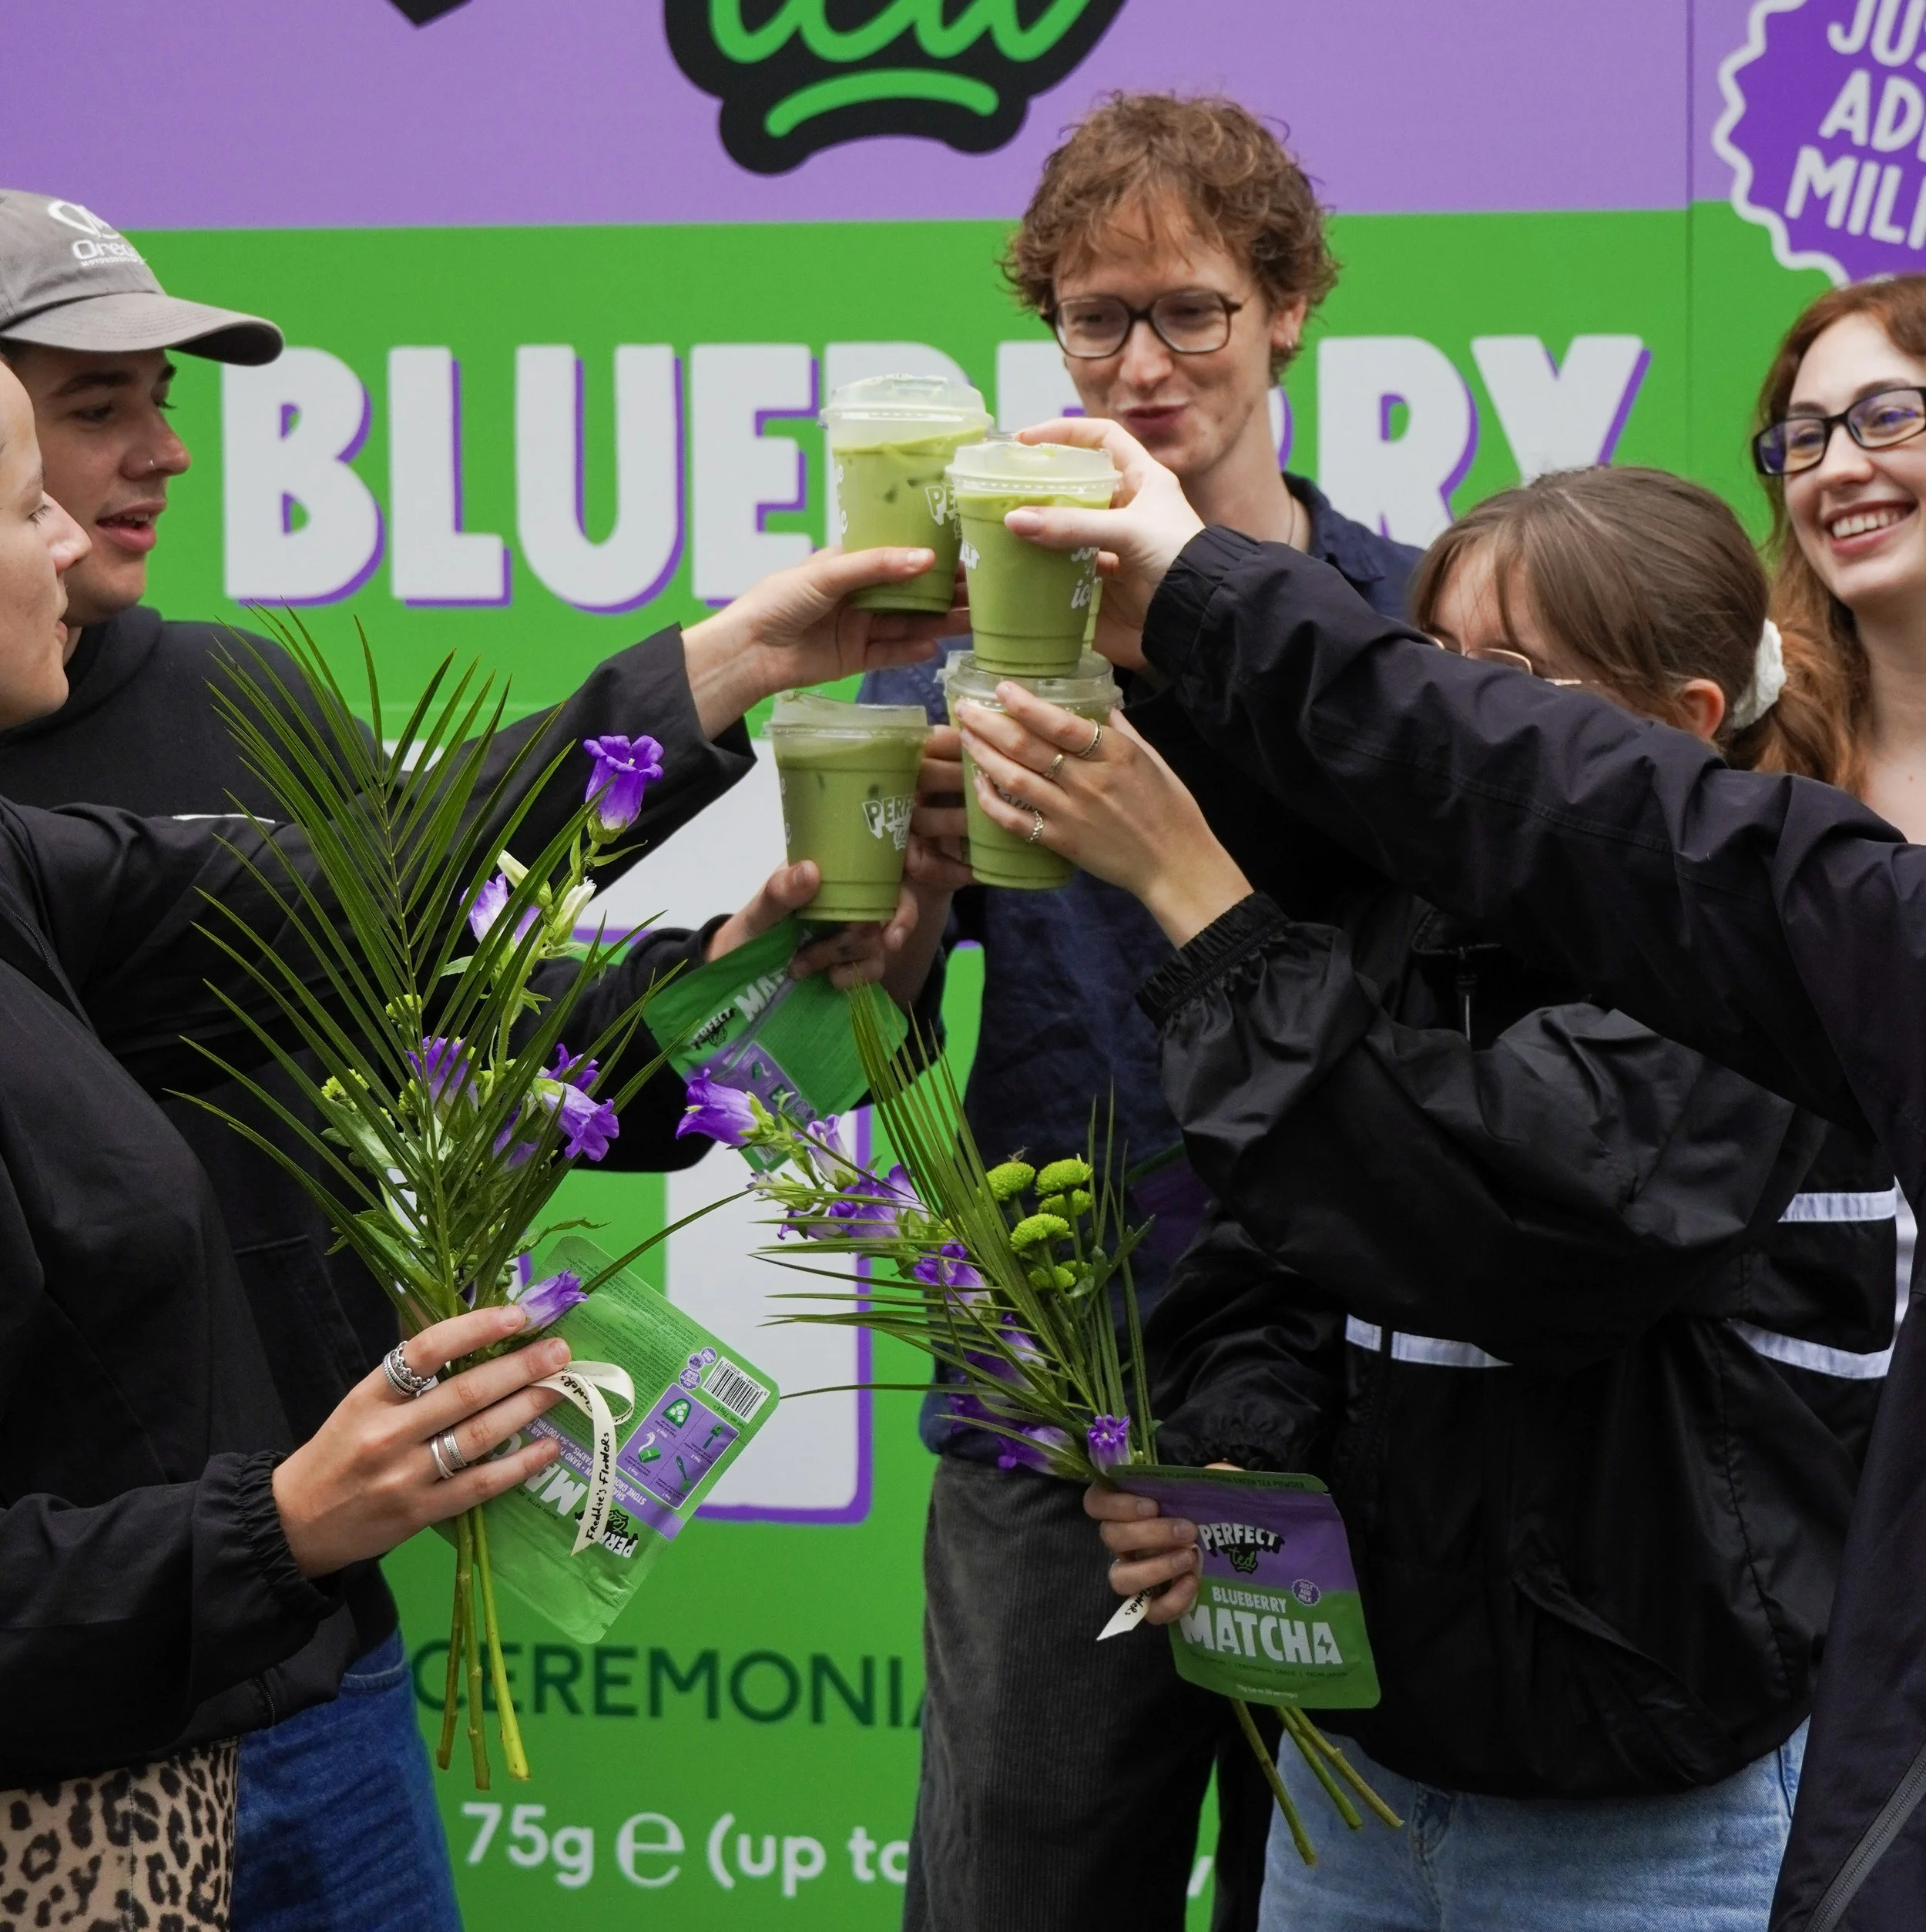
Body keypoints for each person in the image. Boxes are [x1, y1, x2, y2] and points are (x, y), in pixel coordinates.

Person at [0, 189, 932, 1929]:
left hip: (319, 1655)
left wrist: (778, 998)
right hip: (65, 1726)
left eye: (165, 402)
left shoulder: (238, 699)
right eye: (90, 410)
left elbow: (444, 1001)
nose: (153, 463)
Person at [938, 408, 1926, 1932]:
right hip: (1354, 1803)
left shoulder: (1763, 992)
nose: (1447, 726)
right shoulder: (1401, 924)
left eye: (1508, 686)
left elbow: (1493, 1224)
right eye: (1434, 667)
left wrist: (1196, 891)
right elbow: (1277, 1258)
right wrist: (1227, 1465)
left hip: (1655, 1829)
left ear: (1682, 720)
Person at [866, 95, 1415, 1932]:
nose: (1141, 359)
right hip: (1057, 1405)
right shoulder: (966, 641)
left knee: (1324, 1902)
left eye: (1189, 307)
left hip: (1352, 1399)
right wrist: (892, 909)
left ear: (1287, 310)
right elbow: (848, 1013)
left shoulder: (1397, 632)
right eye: (1093, 316)